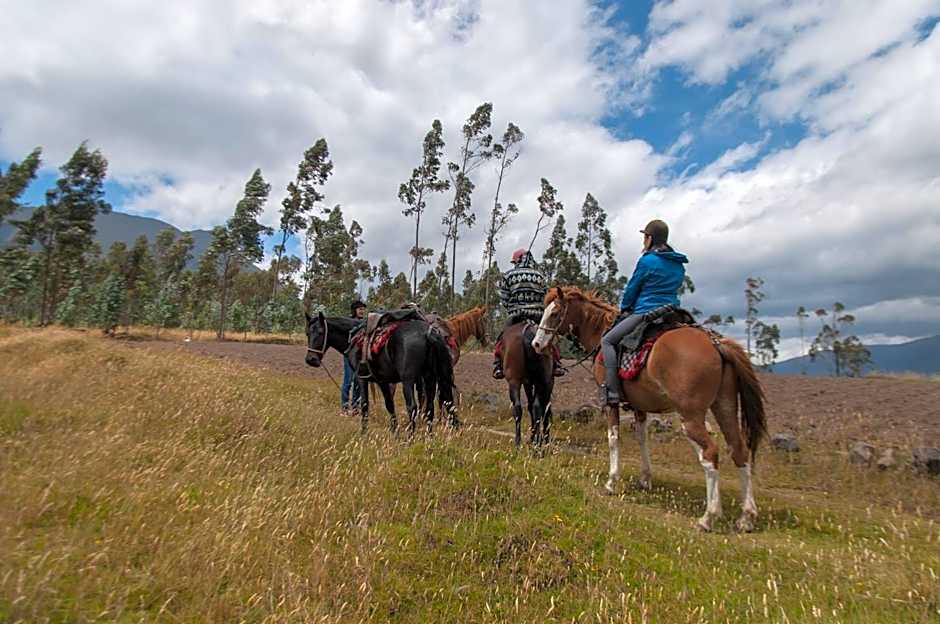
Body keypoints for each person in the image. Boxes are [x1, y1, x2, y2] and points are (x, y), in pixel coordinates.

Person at [600, 219, 688, 405]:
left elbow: (633, 287)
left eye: (645, 237)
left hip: (646, 311)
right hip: (672, 310)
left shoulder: (647, 261)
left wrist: (625, 308)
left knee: (607, 341)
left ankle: (612, 392)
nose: (643, 241)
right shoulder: (679, 264)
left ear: (650, 239)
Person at [493, 248, 565, 379]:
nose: (514, 264)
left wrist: (512, 307)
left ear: (518, 260)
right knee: (550, 338)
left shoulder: (508, 275)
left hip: (516, 315)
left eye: (514, 262)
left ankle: (498, 364)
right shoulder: (539, 275)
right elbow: (545, 296)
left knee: (501, 338)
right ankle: (557, 363)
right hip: (537, 315)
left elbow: (504, 298)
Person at [342, 300, 367, 413]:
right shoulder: (348, 323)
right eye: (360, 309)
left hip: (360, 356)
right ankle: (345, 406)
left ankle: (355, 406)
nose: (362, 311)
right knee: (348, 381)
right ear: (354, 310)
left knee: (358, 380)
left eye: (363, 309)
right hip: (349, 356)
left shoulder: (365, 323)